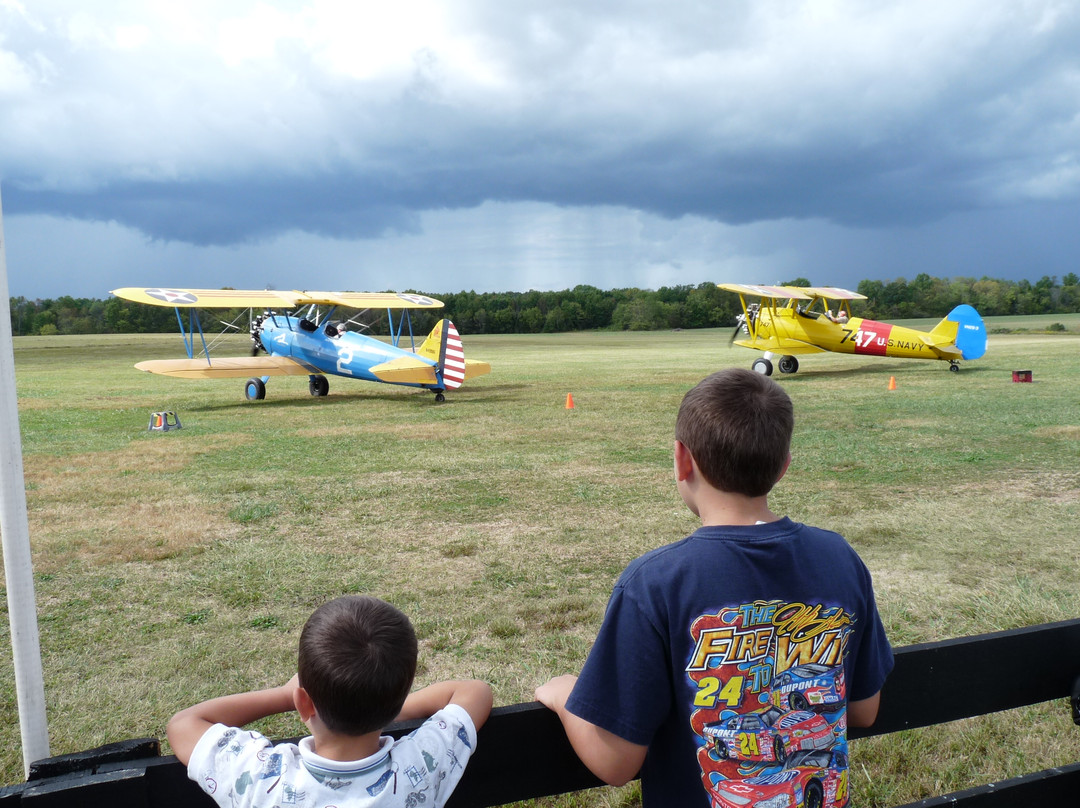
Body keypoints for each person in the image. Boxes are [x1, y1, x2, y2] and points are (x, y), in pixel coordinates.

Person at [535, 368, 892, 806]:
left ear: (682, 459)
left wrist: (564, 695)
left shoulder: (654, 583)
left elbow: (616, 763)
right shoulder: (839, 558)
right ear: (783, 466)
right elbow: (863, 709)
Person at [168, 595, 493, 808]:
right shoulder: (419, 767)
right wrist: (389, 709)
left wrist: (282, 695)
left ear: (303, 703)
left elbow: (183, 725)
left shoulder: (264, 780)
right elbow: (475, 692)